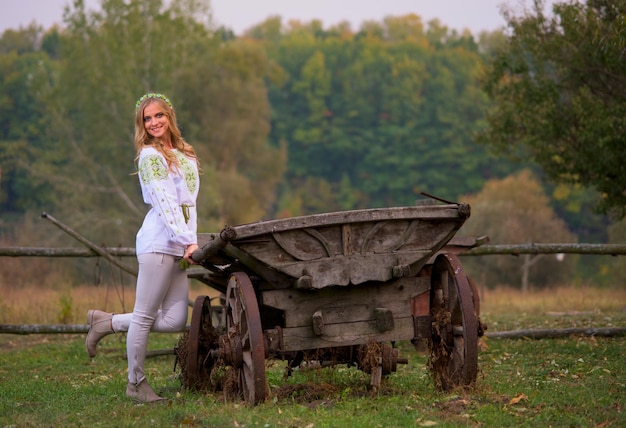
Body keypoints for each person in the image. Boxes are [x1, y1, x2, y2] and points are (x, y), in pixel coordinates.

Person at [85, 92, 200, 403]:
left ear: (169, 116)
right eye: (147, 119)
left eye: (158, 116)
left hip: (178, 245)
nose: (153, 123)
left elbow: (188, 203)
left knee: (175, 319)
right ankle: (136, 383)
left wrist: (190, 239)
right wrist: (187, 239)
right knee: (146, 316)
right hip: (159, 243)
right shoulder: (151, 157)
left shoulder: (185, 154)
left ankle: (106, 322)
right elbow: (165, 204)